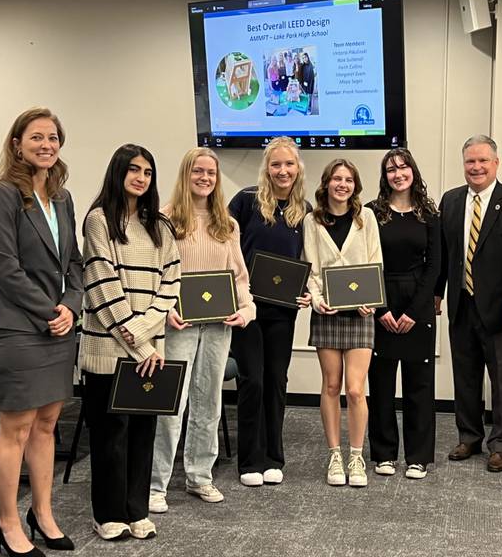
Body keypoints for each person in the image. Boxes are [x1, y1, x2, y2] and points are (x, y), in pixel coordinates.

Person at [0, 107, 81, 556]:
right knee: (16, 429)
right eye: (36, 137)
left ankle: (42, 515)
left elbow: (74, 263)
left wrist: (72, 308)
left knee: (47, 426)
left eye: (53, 138)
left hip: (59, 326)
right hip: (19, 327)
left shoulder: (62, 197)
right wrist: (51, 311)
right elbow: (7, 269)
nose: (46, 144)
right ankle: (6, 523)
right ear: (17, 143)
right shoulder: (1, 195)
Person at [80, 144, 180, 541]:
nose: (141, 178)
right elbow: (102, 284)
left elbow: (171, 281)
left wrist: (148, 332)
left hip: (150, 350)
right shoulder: (98, 220)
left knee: (142, 434)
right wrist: (138, 339)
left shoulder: (161, 225)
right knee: (110, 437)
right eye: (134, 170)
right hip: (109, 348)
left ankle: (136, 509)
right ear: (118, 172)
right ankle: (107, 514)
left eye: (148, 172)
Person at [149, 148, 255, 511]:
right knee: (171, 405)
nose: (205, 178)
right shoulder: (164, 220)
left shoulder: (226, 223)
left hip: (217, 327)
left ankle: (199, 476)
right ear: (186, 174)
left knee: (209, 402)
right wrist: (165, 311)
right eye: (198, 171)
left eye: (211, 172)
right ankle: (155, 485)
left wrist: (247, 309)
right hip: (178, 325)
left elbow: (239, 276)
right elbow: (155, 276)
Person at [435, 134, 502, 473]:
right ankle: (469, 436)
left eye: (482, 161)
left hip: (501, 310)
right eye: (470, 161)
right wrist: (437, 293)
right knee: (464, 376)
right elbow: (442, 255)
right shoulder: (449, 201)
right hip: (461, 304)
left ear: (496, 163)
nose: (476, 167)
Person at [228, 137, 312, 487]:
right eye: (276, 164)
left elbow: (310, 259)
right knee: (253, 381)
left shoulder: (304, 210)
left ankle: (273, 457)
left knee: (277, 381)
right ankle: (250, 460)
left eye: (289, 164)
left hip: (282, 310)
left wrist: (309, 290)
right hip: (247, 308)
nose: (282, 171)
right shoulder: (246, 201)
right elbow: (226, 247)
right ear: (267, 168)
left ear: (298, 169)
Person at [303, 159, 382, 487]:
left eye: (348, 179)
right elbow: (310, 265)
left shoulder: (366, 218)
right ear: (327, 183)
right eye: (337, 178)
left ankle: (356, 455)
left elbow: (375, 259)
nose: (343, 184)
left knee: (355, 389)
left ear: (355, 185)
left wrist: (372, 300)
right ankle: (335, 455)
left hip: (360, 314)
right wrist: (317, 297)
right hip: (327, 313)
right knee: (332, 386)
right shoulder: (312, 220)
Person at [366, 148, 440, 479]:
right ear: (385, 176)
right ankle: (383, 454)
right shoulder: (371, 213)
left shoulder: (429, 214)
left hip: (418, 305)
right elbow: (364, 262)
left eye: (403, 167)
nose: (398, 173)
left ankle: (418, 457)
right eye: (391, 169)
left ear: (413, 171)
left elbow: (435, 266)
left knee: (419, 386)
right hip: (380, 300)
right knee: (380, 385)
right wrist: (380, 308)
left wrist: (415, 310)